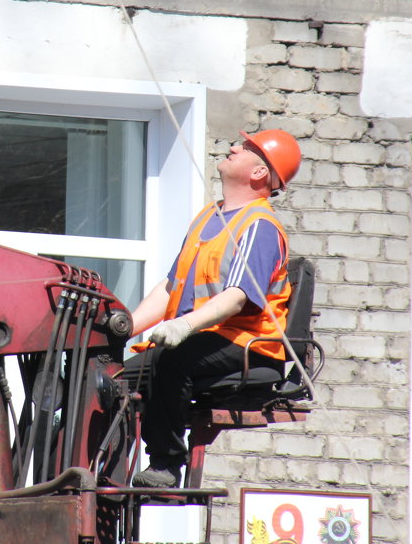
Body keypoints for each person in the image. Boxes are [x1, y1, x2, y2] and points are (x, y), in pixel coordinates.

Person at [127, 128, 301, 488]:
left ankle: (165, 465)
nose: (233, 146)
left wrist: (183, 326)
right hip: (204, 339)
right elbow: (170, 287)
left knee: (172, 359)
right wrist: (124, 327)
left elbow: (237, 297)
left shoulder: (260, 225)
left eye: (246, 147)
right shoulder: (209, 216)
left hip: (248, 344)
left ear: (259, 173)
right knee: (111, 378)